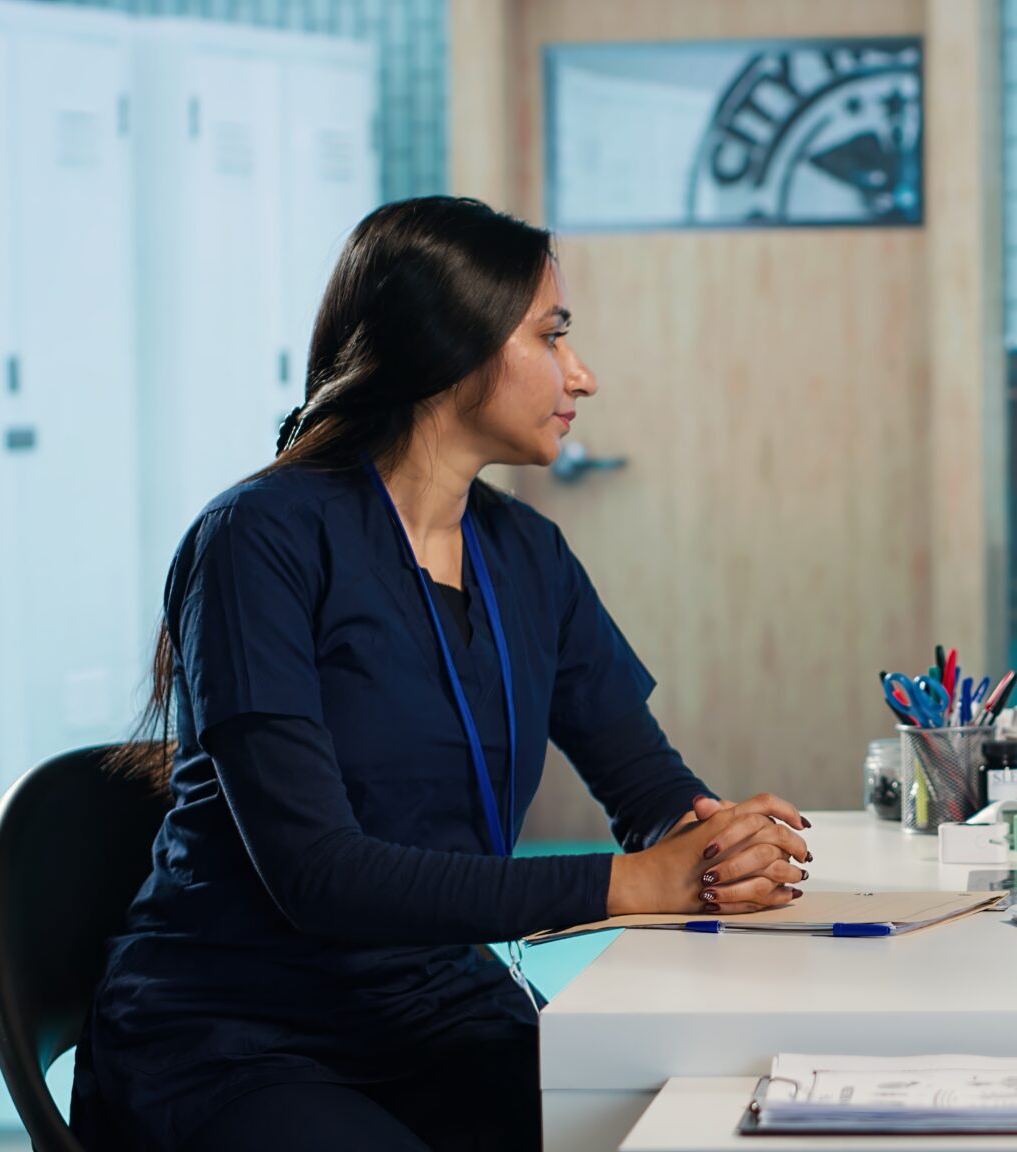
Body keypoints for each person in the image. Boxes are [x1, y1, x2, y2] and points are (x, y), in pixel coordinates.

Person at [73, 196, 812, 1151]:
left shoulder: (527, 553)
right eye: (552, 337)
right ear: (449, 345)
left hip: (437, 1013)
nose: (580, 374)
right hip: (236, 1034)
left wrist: (717, 850)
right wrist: (633, 883)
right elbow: (319, 877)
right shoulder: (260, 539)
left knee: (689, 1131)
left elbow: (646, 788)